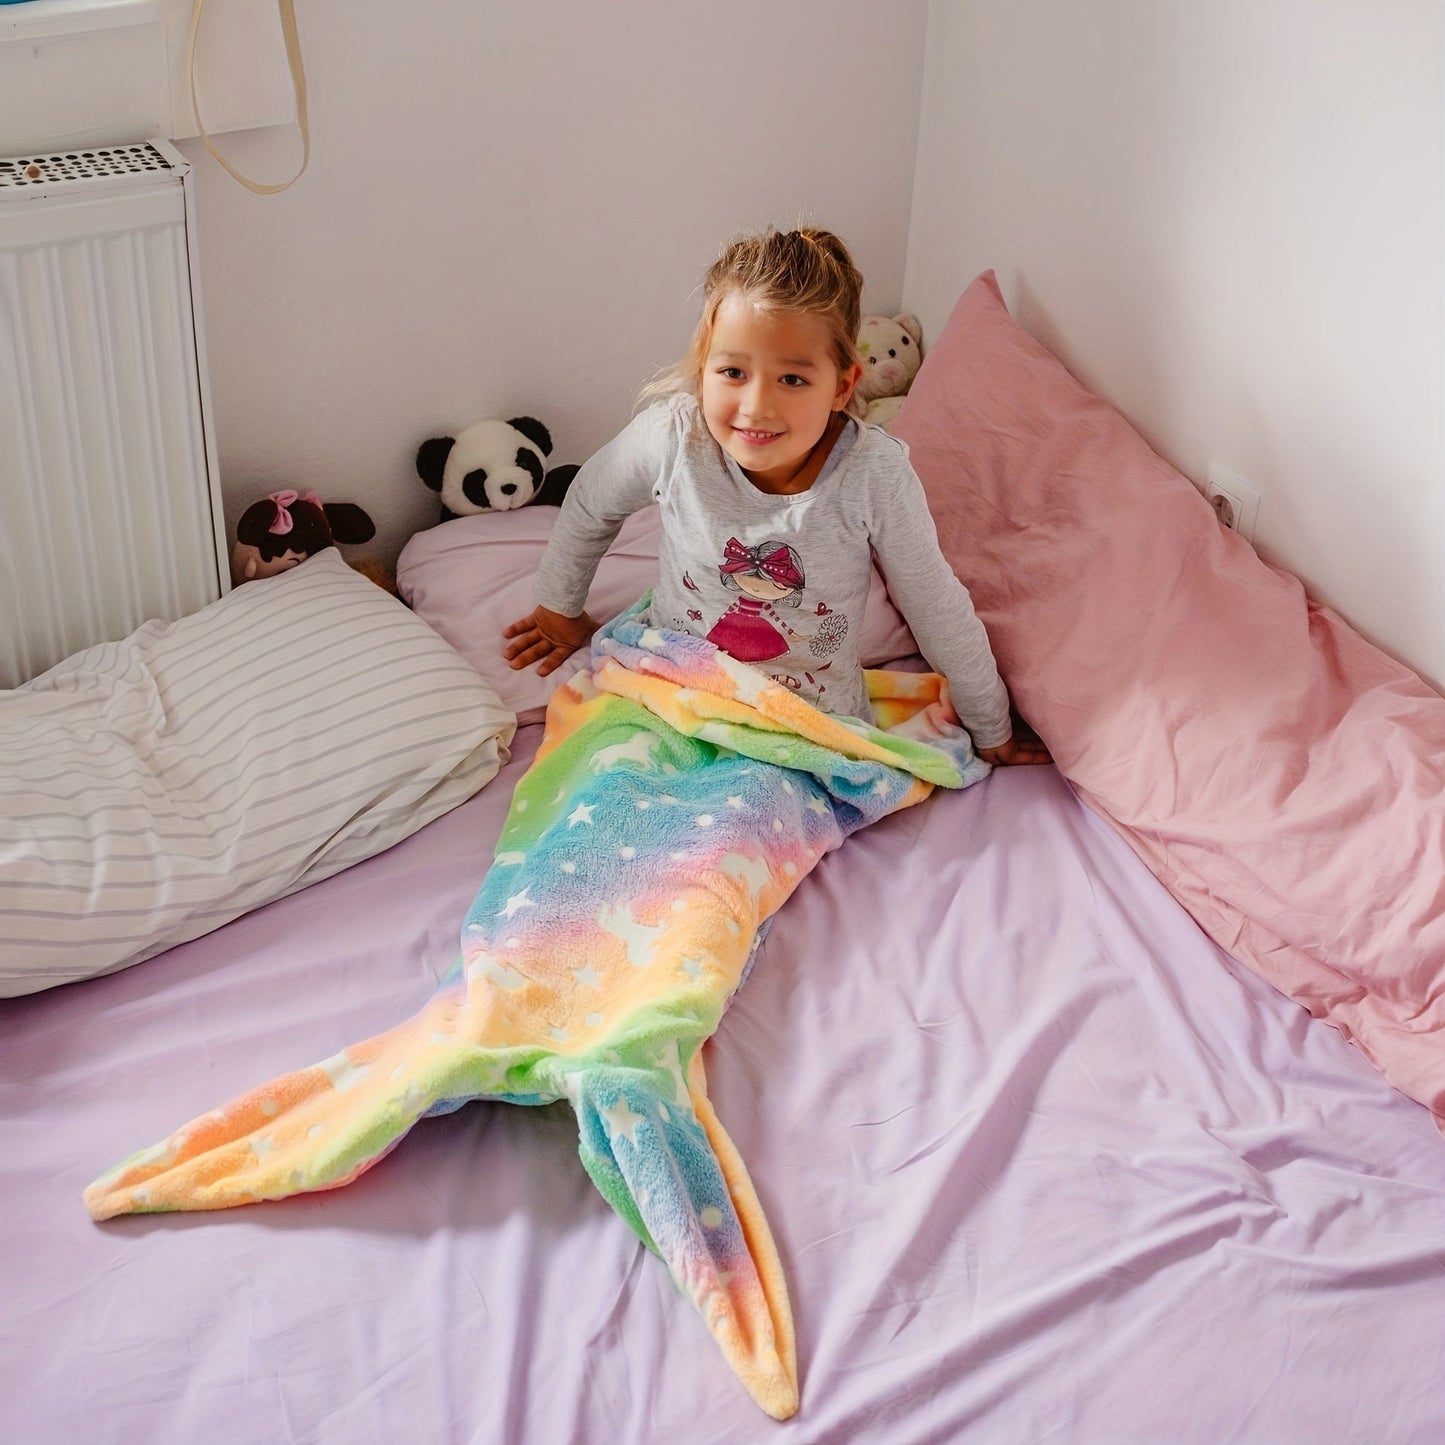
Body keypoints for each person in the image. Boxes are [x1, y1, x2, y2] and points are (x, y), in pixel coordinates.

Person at [503, 226, 1050, 766]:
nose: (756, 406)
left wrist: (990, 724)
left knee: (744, 831)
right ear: (702, 370)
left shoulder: (874, 475)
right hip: (677, 682)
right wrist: (558, 608)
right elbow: (590, 504)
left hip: (807, 717)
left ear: (842, 385)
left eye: (792, 380)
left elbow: (937, 605)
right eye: (733, 372)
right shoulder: (673, 437)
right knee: (608, 784)